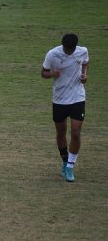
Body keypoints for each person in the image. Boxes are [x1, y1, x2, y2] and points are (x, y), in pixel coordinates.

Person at [41, 33, 89, 182]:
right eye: (67, 49)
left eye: (71, 50)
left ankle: (70, 166)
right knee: (61, 132)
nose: (69, 52)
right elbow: (43, 72)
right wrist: (52, 74)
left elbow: (86, 62)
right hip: (60, 99)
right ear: (63, 46)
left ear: (75, 47)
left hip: (77, 98)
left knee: (75, 133)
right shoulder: (53, 54)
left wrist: (84, 74)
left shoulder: (82, 51)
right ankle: (64, 161)